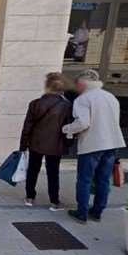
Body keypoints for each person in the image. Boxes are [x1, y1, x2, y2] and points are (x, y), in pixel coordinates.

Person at [62, 69, 126, 223]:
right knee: (103, 180)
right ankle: (97, 212)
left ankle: (82, 213)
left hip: (92, 144)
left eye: (77, 84)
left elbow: (83, 123)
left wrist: (67, 129)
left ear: (82, 83)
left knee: (84, 179)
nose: (76, 88)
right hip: (112, 143)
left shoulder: (83, 99)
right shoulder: (110, 97)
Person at [19, 72, 73, 210]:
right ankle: (54, 201)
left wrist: (23, 145)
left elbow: (27, 126)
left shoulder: (35, 104)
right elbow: (69, 127)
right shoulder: (67, 106)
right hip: (56, 144)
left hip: (36, 142)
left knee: (33, 170)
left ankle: (30, 197)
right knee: (53, 173)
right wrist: (68, 144)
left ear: (47, 86)